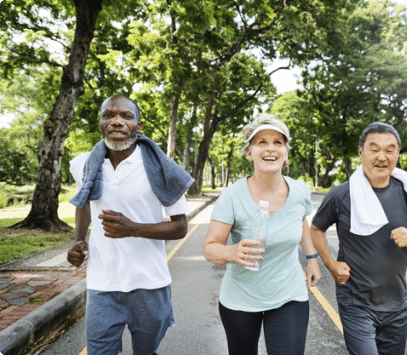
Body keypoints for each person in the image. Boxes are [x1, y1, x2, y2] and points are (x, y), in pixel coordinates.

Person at [66, 94, 194, 355]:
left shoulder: (161, 168)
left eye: (126, 116)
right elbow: (84, 203)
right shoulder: (82, 164)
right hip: (102, 284)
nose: (117, 121)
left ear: (139, 126)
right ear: (100, 122)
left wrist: (133, 228)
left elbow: (181, 227)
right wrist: (80, 240)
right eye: (109, 115)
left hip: (149, 285)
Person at [310, 122, 407, 355]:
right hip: (356, 302)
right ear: (361, 152)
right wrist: (331, 265)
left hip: (397, 305)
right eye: (374, 149)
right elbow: (316, 229)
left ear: (398, 154)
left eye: (390, 149)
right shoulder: (341, 194)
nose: (382, 157)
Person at [203, 114, 322, 355]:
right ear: (250, 152)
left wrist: (312, 259)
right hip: (241, 299)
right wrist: (232, 251)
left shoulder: (299, 191)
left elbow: (300, 221)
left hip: (289, 294)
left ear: (286, 152)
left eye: (278, 142)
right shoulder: (232, 196)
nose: (271, 148)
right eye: (262, 142)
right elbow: (210, 247)